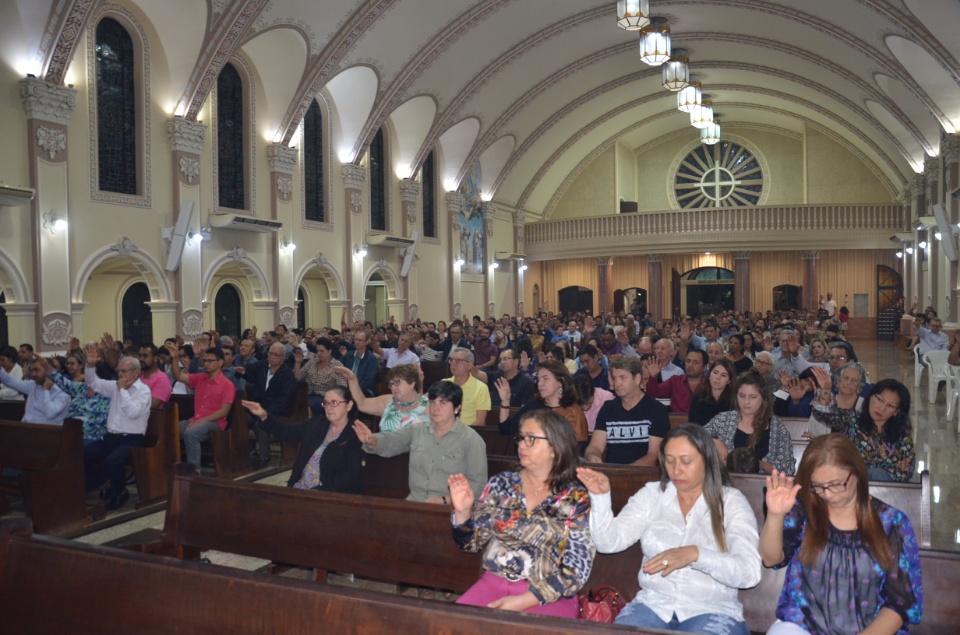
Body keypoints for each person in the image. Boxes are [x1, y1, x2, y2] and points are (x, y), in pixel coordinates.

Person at [579, 424, 762, 634]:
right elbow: (608, 543)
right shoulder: (652, 496)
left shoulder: (730, 502)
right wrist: (601, 498)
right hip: (654, 604)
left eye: (686, 461)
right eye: (669, 460)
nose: (676, 470)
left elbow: (749, 572)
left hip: (713, 608)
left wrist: (696, 555)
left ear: (707, 460)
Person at [759, 435, 922, 635]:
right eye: (817, 486)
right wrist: (775, 515)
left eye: (836, 484)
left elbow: (900, 605)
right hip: (803, 626)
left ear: (856, 473)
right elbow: (770, 559)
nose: (827, 494)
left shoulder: (891, 523)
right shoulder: (804, 510)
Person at [449, 409, 594, 618]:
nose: (521, 445)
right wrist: (462, 513)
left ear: (555, 446)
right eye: (521, 438)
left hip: (548, 595)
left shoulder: (576, 498)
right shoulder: (502, 484)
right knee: (446, 626)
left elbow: (577, 569)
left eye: (531, 439)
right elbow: (471, 544)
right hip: (493, 585)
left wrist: (525, 600)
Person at [352, 381, 487, 503]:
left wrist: (445, 500)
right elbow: (392, 441)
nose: (436, 407)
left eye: (443, 403)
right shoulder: (417, 430)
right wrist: (372, 440)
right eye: (433, 402)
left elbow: (478, 485)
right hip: (415, 503)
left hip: (452, 509)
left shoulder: (471, 439)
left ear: (457, 408)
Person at [242, 386, 365, 493]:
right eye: (326, 403)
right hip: (299, 489)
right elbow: (285, 432)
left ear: (349, 405)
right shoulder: (316, 423)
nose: (328, 408)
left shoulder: (357, 433)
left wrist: (319, 492)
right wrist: (264, 415)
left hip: (329, 496)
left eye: (334, 403)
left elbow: (351, 476)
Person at [81, 344, 153, 510]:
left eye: (123, 371)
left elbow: (133, 412)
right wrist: (90, 365)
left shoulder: (143, 391)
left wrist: (122, 391)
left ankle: (119, 493)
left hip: (132, 439)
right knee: (81, 454)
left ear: (135, 372)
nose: (119, 374)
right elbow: (93, 383)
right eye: (119, 371)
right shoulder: (116, 386)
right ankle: (98, 483)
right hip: (111, 436)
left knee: (112, 462)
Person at [810, 370, 913, 482]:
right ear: (870, 397)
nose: (882, 408)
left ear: (896, 412)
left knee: (877, 474)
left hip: (883, 492)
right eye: (879, 400)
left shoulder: (902, 434)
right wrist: (826, 390)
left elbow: (904, 473)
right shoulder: (852, 419)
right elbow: (823, 413)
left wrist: (880, 458)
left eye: (890, 406)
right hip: (848, 484)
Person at [705, 371, 796, 475]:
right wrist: (714, 441)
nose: (746, 402)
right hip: (725, 484)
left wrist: (761, 465)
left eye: (753, 397)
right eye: (742, 396)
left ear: (763, 398)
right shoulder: (723, 420)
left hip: (762, 487)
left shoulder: (777, 427)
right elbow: (693, 438)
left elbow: (789, 468)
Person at [584, 354, 669, 465]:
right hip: (612, 474)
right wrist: (592, 455)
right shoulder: (608, 408)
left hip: (644, 475)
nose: (617, 383)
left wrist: (624, 474)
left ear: (637, 378)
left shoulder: (656, 410)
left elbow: (653, 455)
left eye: (623, 377)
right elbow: (595, 446)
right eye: (615, 378)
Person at [165, 342, 236, 474]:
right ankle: (173, 468)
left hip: (215, 423)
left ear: (220, 362)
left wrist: (199, 422)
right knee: (170, 429)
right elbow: (178, 376)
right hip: (196, 419)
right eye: (205, 361)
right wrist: (175, 358)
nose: (206, 364)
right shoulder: (201, 378)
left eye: (210, 361)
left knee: (191, 434)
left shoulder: (227, 385)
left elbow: (223, 411)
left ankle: (194, 472)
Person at [496, 359, 589, 443]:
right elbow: (506, 429)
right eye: (539, 379)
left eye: (545, 379)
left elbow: (578, 447)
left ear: (560, 382)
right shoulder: (534, 406)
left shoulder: (573, 411)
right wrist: (505, 401)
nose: (540, 384)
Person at [247, 342, 297, 468]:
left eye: (276, 354)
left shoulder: (287, 374)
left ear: (283, 357)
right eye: (270, 353)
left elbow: (284, 399)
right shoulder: (263, 366)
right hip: (257, 407)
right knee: (239, 419)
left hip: (276, 410)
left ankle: (263, 457)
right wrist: (243, 371)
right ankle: (243, 455)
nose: (272, 357)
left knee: (261, 423)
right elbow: (248, 373)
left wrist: (266, 411)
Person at [337, 363, 427, 432]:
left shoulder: (429, 405)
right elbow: (362, 403)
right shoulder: (389, 401)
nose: (393, 388)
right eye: (391, 384)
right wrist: (352, 379)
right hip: (384, 452)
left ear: (412, 383)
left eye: (397, 383)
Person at [48, 351, 111, 443]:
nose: (89, 377)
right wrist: (46, 366)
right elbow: (61, 381)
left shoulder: (107, 396)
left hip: (90, 438)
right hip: (68, 433)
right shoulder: (81, 388)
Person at [0, 355, 71, 424]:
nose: (33, 374)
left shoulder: (63, 391)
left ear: (48, 370)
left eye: (36, 370)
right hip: (25, 428)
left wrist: (46, 390)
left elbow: (50, 413)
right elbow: (11, 381)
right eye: (32, 371)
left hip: (48, 432)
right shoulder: (32, 385)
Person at [644, 348, 708, 415]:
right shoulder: (675, 381)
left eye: (695, 362)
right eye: (688, 361)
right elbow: (654, 393)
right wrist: (653, 377)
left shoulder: (710, 384)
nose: (690, 365)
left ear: (704, 367)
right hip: (678, 423)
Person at [294, 337, 347, 417]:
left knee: (308, 407)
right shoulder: (312, 362)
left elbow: (342, 389)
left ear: (329, 351)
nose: (319, 353)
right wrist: (297, 363)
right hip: (308, 395)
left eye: (322, 351)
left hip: (325, 397)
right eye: (317, 351)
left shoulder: (337, 366)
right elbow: (298, 378)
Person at [443, 347, 490, 426]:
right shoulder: (444, 384)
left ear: (469, 365)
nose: (454, 363)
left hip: (468, 434)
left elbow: (480, 421)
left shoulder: (481, 388)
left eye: (459, 361)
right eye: (452, 360)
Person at [688, 357, 736, 425]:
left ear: (729, 380)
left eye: (723, 375)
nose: (717, 378)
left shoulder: (733, 402)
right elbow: (693, 428)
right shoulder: (698, 399)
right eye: (715, 373)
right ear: (709, 374)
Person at [340, 331, 378, 397]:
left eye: (360, 340)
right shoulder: (349, 354)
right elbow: (338, 364)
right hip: (348, 387)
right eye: (355, 339)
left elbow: (368, 381)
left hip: (364, 390)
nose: (357, 342)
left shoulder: (371, 359)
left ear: (366, 342)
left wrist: (352, 388)